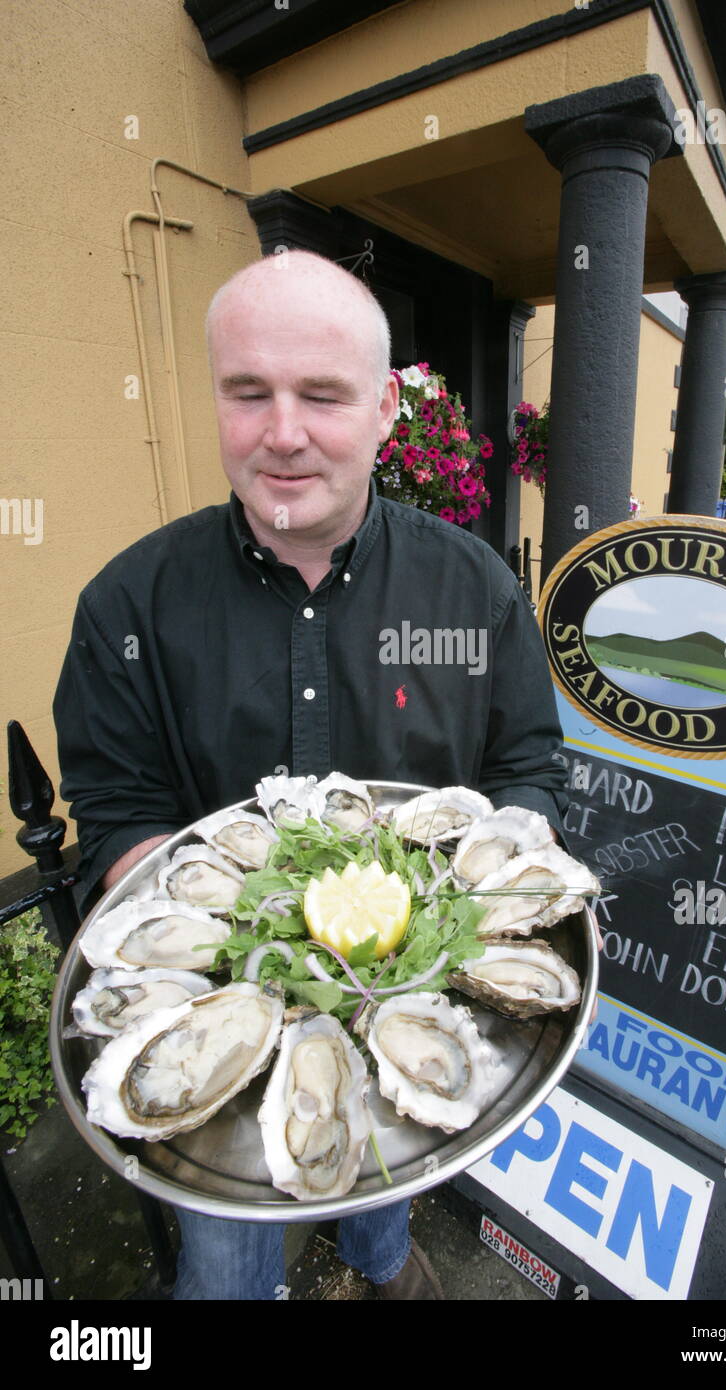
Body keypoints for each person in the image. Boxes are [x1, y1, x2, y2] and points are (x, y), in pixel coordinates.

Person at [54, 250, 570, 1300]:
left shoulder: (471, 588)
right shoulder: (128, 605)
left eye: (320, 395)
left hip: (407, 986)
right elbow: (113, 810)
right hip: (225, 1028)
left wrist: (505, 872)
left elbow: (525, 765)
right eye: (249, 393)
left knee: (383, 1172)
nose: (280, 433)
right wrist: (190, 898)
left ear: (385, 408)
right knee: (225, 1269)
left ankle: (380, 1265)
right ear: (218, 400)